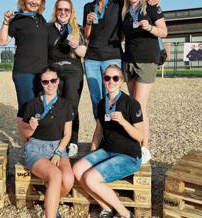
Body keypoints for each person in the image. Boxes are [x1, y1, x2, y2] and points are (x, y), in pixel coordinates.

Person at [73, 64, 144, 218]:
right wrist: (92, 153)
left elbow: (140, 136)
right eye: (107, 78)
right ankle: (106, 208)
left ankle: (125, 214)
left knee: (90, 178)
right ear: (103, 81)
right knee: (77, 169)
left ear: (121, 81)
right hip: (106, 150)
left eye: (115, 78)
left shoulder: (131, 104)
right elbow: (98, 130)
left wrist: (124, 122)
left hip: (128, 155)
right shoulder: (101, 103)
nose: (111, 81)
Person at [83, 0, 159, 119]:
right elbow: (87, 36)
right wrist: (88, 23)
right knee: (96, 100)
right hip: (92, 59)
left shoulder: (118, 3)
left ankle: (111, 132)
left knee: (112, 97)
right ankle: (101, 133)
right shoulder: (88, 6)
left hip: (112, 57)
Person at [20, 66, 74, 218]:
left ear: (58, 81)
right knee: (56, 175)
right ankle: (50, 214)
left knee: (68, 179)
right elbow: (24, 133)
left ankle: (50, 204)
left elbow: (67, 134)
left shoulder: (66, 104)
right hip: (36, 147)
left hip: (58, 146)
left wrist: (57, 153)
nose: (50, 84)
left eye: (53, 80)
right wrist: (30, 127)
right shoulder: (32, 104)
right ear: (41, 83)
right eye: (45, 81)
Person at [122, 0, 167, 164]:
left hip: (146, 60)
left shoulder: (151, 6)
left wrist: (149, 27)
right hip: (129, 61)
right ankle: (135, 143)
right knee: (133, 105)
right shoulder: (125, 11)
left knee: (139, 106)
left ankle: (145, 147)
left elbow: (164, 31)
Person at [0, 0, 48, 143]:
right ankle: (28, 146)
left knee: (40, 108)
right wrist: (6, 22)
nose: (34, 1)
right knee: (26, 109)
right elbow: (2, 41)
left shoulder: (41, 19)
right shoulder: (17, 19)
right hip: (24, 71)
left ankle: (38, 141)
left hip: (42, 73)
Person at [48, 0, 87, 157]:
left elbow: (84, 52)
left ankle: (72, 142)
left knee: (71, 107)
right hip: (53, 70)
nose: (63, 12)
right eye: (60, 9)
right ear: (55, 11)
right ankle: (56, 140)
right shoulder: (47, 28)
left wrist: (76, 46)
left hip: (73, 70)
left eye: (67, 9)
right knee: (53, 106)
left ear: (71, 12)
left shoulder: (78, 29)